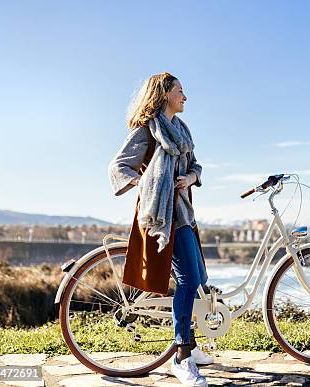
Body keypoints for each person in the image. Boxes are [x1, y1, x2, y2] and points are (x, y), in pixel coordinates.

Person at [108, 72, 211, 387]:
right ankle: (182, 356)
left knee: (199, 280)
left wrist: (190, 179)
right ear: (165, 92)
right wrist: (149, 183)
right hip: (161, 214)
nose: (185, 96)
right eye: (180, 90)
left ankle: (189, 340)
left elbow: (195, 166)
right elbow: (118, 166)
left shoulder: (181, 129)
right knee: (189, 279)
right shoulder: (147, 130)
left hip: (183, 212)